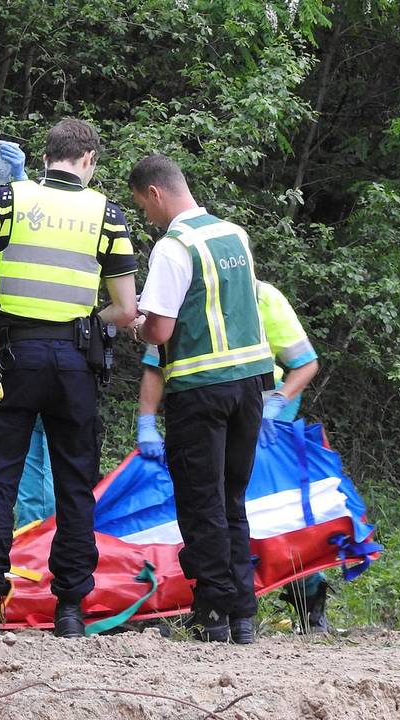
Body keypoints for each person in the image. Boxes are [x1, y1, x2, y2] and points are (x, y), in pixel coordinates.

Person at [0, 118, 137, 637]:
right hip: (75, 362)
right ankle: (70, 611)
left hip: (13, 357)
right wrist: (88, 323)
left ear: (46, 154)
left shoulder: (10, 199)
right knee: (75, 486)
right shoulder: (106, 212)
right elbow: (127, 307)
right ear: (89, 159)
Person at [129, 154, 274, 644]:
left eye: (144, 208)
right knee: (233, 499)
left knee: (201, 502)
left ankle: (213, 612)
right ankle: (244, 614)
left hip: (199, 387)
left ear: (155, 193)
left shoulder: (172, 249)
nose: (149, 219)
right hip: (251, 385)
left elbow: (161, 328)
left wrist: (137, 328)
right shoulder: (234, 234)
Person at [136, 279, 325, 634]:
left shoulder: (263, 297)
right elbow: (155, 365)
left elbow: (305, 363)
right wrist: (146, 420)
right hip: (208, 414)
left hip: (266, 420)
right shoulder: (181, 295)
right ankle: (216, 607)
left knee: (282, 515)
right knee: (216, 508)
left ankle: (308, 605)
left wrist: (279, 401)